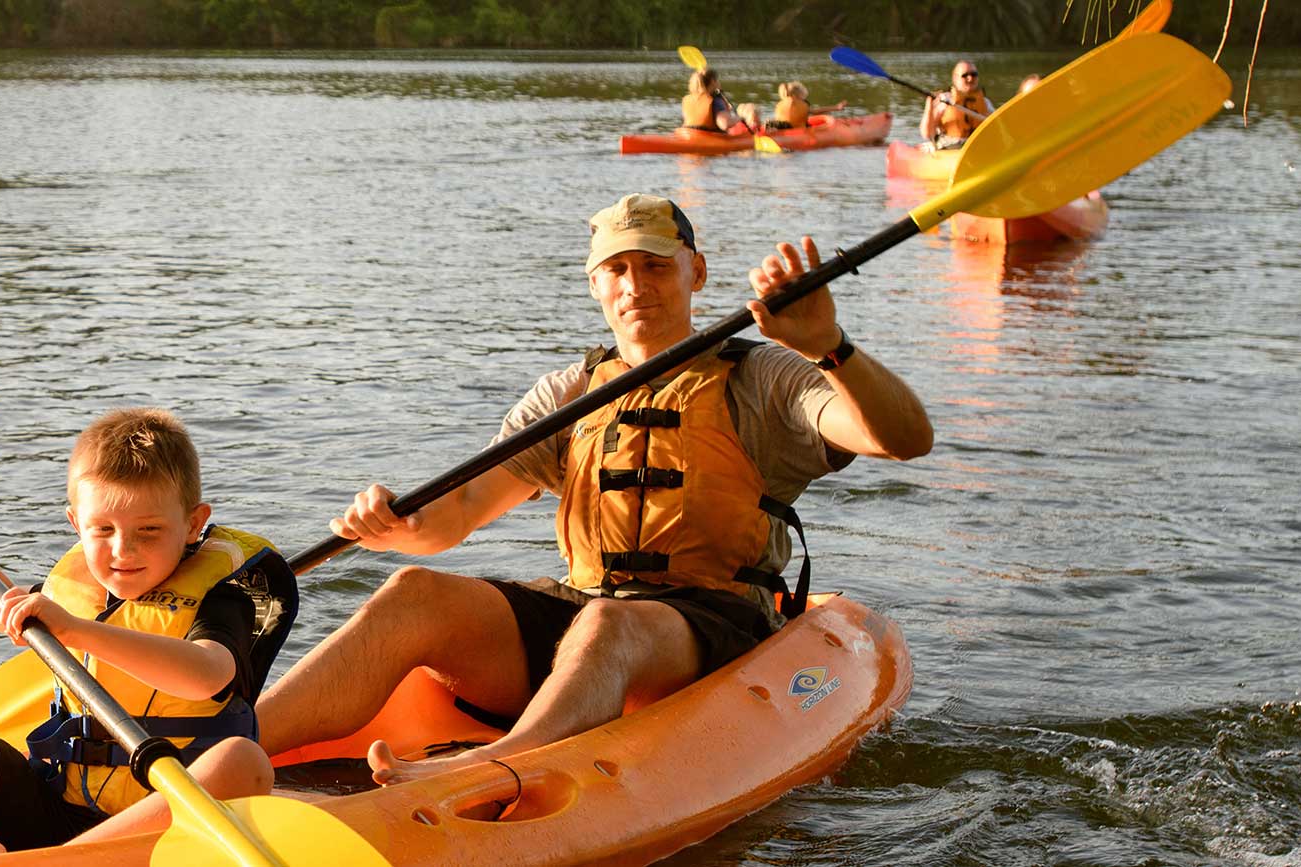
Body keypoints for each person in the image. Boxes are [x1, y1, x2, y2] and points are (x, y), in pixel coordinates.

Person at [253, 194, 935, 785]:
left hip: (716, 620)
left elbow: (903, 437)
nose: (636, 284)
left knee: (608, 624)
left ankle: (499, 765)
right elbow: (455, 516)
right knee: (412, 591)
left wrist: (830, 344)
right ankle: (233, 742)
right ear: (594, 285)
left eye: (656, 265)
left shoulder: (763, 377)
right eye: (616, 268)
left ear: (696, 272)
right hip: (591, 606)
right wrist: (396, 526)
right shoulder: (569, 393)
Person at [0, 408, 286, 857]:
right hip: (56, 805)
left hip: (163, 823)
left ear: (192, 524)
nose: (122, 550)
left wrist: (76, 631)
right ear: (76, 524)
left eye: (149, 530)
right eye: (103, 529)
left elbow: (206, 674)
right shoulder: (78, 591)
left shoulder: (224, 596)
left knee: (243, 763)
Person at [918, 59, 991, 149]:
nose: (970, 78)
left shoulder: (986, 103)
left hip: (977, 148)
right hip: (950, 148)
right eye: (965, 75)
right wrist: (929, 106)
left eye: (974, 74)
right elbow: (927, 134)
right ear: (955, 78)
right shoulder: (944, 100)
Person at [681, 68, 753, 134]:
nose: (719, 82)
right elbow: (724, 124)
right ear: (713, 81)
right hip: (709, 139)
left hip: (688, 136)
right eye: (718, 80)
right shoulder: (716, 101)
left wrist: (726, 111)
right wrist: (740, 117)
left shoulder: (687, 99)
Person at [765, 81, 847, 131]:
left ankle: (772, 128)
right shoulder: (803, 104)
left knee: (776, 123)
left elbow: (779, 118)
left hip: (781, 127)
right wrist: (836, 107)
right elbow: (816, 111)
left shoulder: (779, 104)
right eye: (803, 96)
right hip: (796, 130)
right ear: (797, 95)